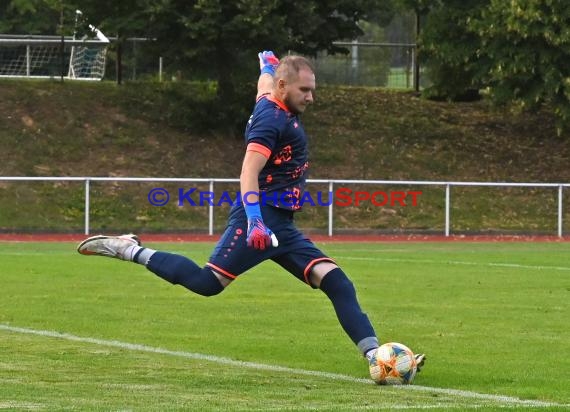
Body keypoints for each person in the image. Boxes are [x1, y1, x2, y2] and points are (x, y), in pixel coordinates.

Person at [77, 51, 425, 381]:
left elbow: (262, 84)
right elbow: (248, 172)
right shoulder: (271, 121)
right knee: (207, 284)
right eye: (305, 90)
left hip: (282, 225)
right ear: (284, 88)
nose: (311, 97)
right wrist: (256, 221)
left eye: (313, 90)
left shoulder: (270, 97)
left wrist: (267, 65)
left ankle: (377, 358)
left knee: (337, 283)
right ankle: (129, 249)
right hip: (259, 219)